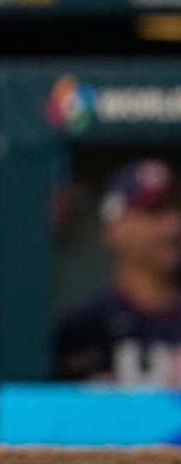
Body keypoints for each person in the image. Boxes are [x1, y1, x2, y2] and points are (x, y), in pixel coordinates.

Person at [55, 159, 181, 386]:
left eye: (177, 209)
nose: (173, 227)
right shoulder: (85, 327)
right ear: (114, 229)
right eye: (155, 213)